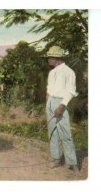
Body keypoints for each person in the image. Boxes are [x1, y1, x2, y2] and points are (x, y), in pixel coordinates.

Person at [45, 46, 80, 175]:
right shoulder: (51, 72)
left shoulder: (68, 72)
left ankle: (72, 163)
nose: (48, 60)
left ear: (56, 58)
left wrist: (61, 106)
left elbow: (71, 91)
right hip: (50, 102)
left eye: (50, 57)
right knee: (53, 132)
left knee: (65, 133)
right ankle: (56, 158)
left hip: (61, 103)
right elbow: (48, 90)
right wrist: (47, 106)